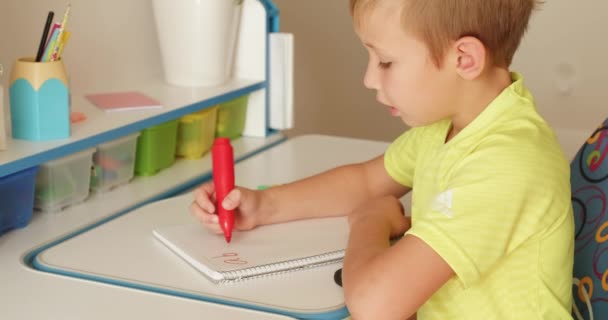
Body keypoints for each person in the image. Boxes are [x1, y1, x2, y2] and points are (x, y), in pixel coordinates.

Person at [191, 0, 574, 319]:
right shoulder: (449, 127)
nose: (369, 79)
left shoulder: (506, 164)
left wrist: (370, 223)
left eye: (386, 62)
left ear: (465, 59)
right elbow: (367, 182)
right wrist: (265, 206)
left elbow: (377, 304)